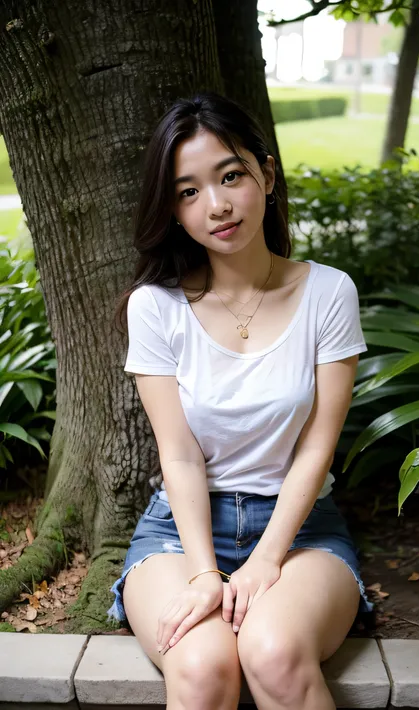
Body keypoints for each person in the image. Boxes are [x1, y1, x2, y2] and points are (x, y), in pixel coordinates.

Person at [107, 90, 374, 710]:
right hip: (179, 531)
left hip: (302, 528)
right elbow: (178, 456)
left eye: (231, 176)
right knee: (203, 669)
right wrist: (205, 574)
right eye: (189, 190)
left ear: (267, 175)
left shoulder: (328, 294)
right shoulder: (157, 307)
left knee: (273, 653)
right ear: (172, 210)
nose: (217, 205)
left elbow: (316, 448)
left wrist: (265, 562)